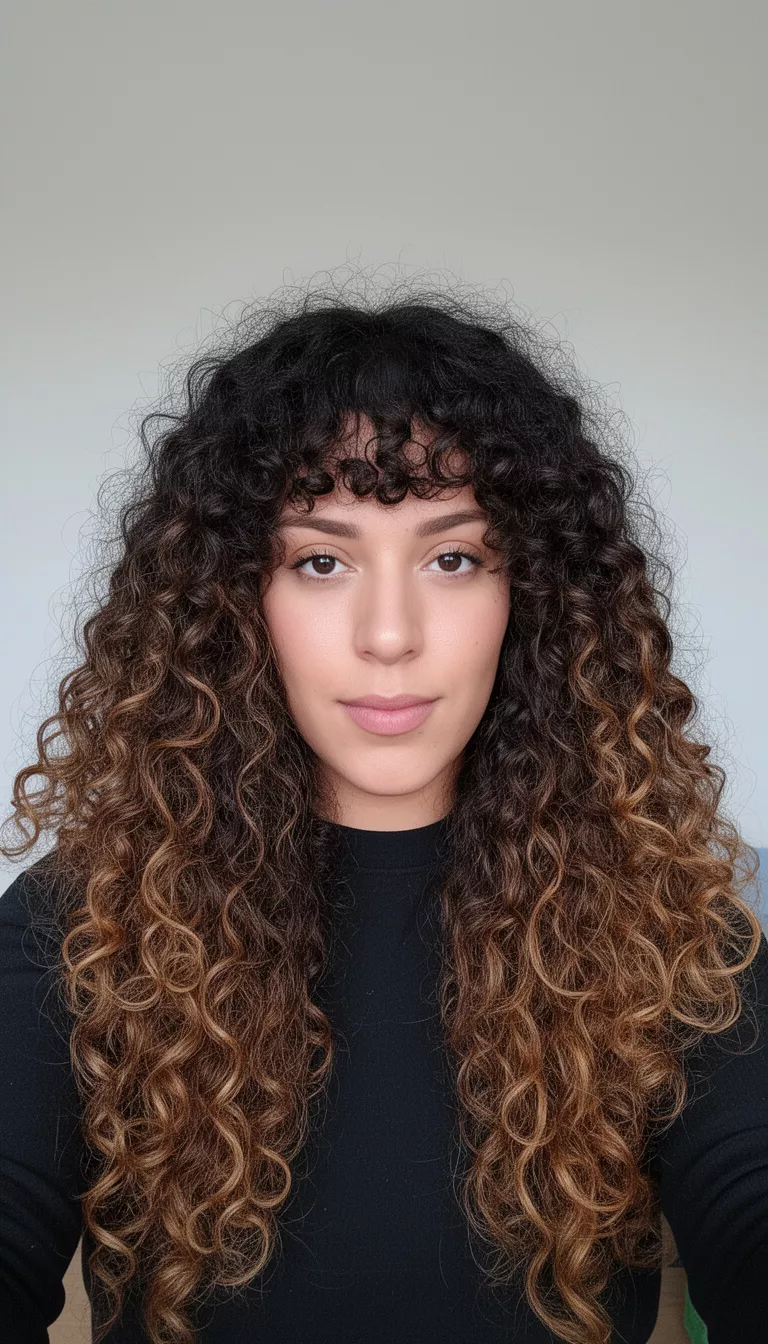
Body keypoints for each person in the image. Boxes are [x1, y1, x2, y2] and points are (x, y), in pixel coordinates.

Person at [1, 278, 766, 1344]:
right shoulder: (82, 924)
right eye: (322, 561)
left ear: (529, 592)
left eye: (453, 559)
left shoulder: (666, 920)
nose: (391, 634)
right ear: (232, 597)